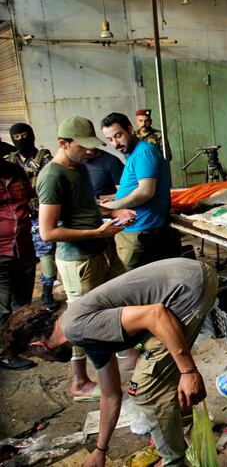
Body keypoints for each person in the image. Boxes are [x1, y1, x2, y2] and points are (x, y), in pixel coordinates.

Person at [4, 258, 217, 467]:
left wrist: (189, 372)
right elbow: (110, 394)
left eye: (36, 356)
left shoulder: (76, 327)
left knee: (147, 391)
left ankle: (173, 460)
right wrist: (100, 450)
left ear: (40, 345)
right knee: (156, 379)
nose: (44, 361)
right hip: (186, 279)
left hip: (188, 288)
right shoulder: (81, 336)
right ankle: (186, 434)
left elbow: (155, 314)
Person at [36, 116, 136, 401]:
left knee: (117, 302)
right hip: (78, 259)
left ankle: (124, 352)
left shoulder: (78, 168)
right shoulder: (52, 176)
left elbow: (85, 206)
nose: (91, 152)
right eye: (85, 147)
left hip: (101, 249)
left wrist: (113, 212)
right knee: (79, 321)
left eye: (93, 147)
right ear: (63, 144)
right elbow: (48, 231)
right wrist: (96, 232)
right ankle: (79, 381)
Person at [100, 113, 174, 271]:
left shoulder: (144, 153)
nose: (115, 143)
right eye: (110, 139)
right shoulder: (133, 154)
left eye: (118, 136)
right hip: (131, 228)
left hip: (138, 230)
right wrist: (114, 199)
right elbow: (135, 187)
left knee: (128, 283)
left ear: (130, 130)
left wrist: (113, 206)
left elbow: (145, 192)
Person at [7, 123, 59, 312]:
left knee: (45, 254)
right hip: (14, 218)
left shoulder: (44, 159)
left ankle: (46, 292)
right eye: (17, 137)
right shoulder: (9, 160)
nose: (21, 140)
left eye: (25, 135)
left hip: (39, 215)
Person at [0, 159, 37, 370]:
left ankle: (20, 343)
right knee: (2, 308)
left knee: (22, 303)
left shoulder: (16, 171)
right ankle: (5, 354)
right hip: (0, 251)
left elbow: (31, 199)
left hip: (24, 245)